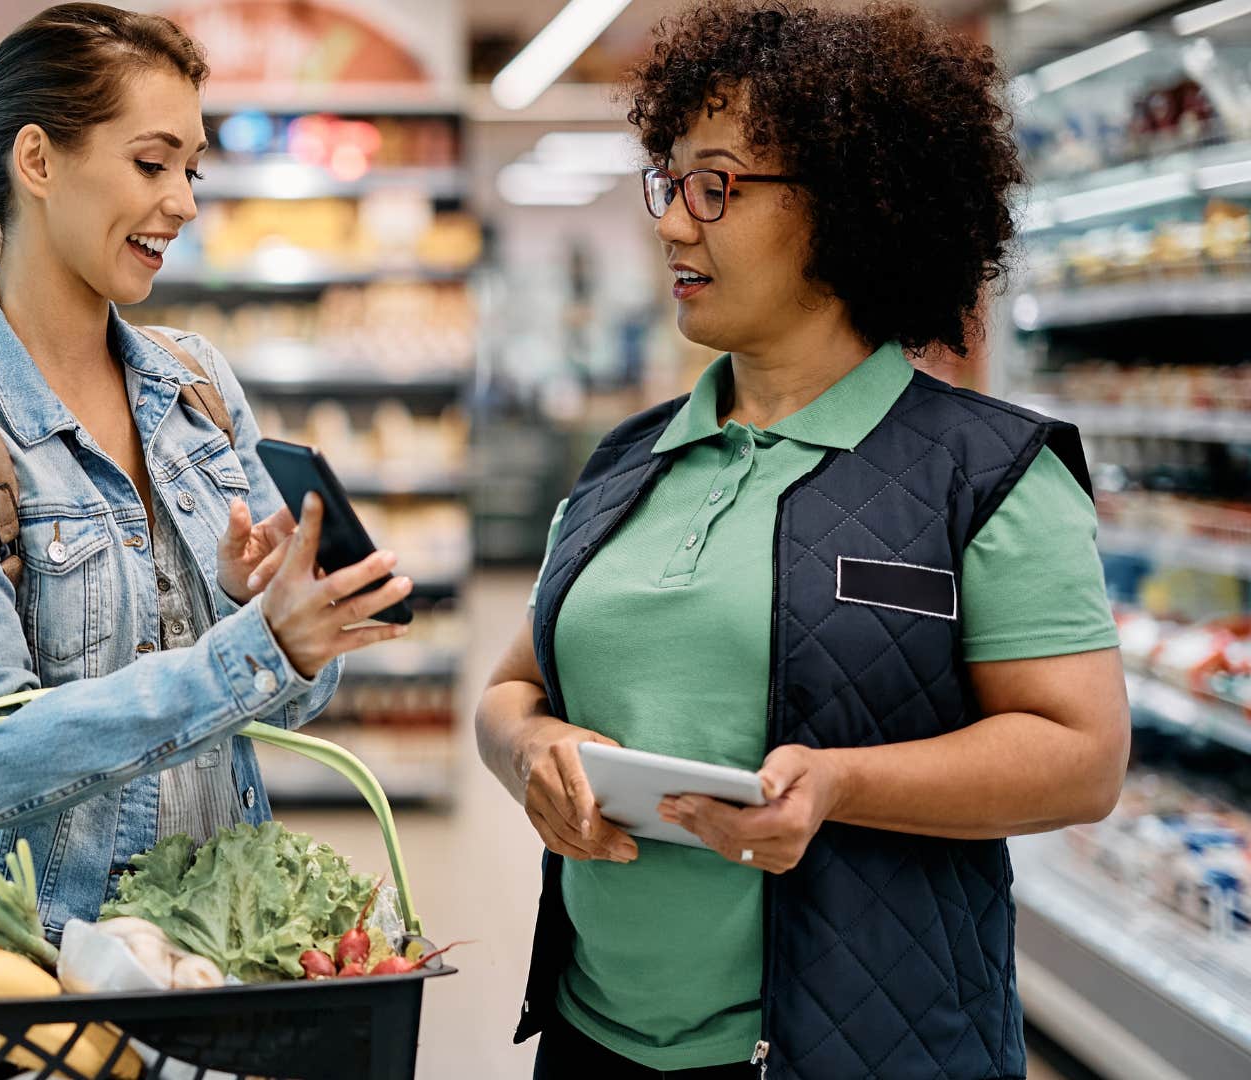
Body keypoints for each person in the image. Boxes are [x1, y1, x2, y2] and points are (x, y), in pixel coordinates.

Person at [474, 3, 1129, 1077]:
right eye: (671, 182)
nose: (675, 224)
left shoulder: (982, 470)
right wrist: (532, 754)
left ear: (851, 207)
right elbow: (512, 692)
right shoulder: (628, 461)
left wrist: (841, 786)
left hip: (863, 1048)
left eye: (717, 186)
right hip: (593, 1042)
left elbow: (1081, 759)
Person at [0, 3, 413, 939]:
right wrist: (252, 649)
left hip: (210, 945)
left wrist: (272, 611)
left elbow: (298, 695)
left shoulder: (195, 385)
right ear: (36, 161)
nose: (186, 202)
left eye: (190, 170)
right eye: (152, 164)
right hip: (28, 969)